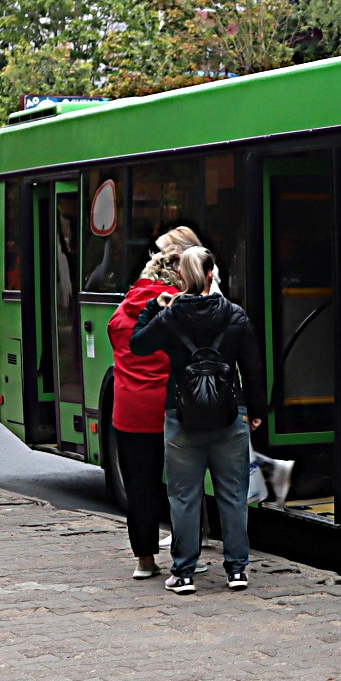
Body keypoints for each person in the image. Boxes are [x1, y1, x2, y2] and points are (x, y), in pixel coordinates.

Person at [131, 246, 265, 594]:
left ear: (181, 278)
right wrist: (257, 412)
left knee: (185, 496)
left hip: (182, 418)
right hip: (228, 416)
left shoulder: (171, 317)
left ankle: (184, 574)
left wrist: (152, 306)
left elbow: (138, 345)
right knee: (233, 495)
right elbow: (252, 367)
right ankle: (237, 570)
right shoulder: (235, 315)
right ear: (210, 275)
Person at [106, 235, 189, 579]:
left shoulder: (121, 312)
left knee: (140, 486)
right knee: (183, 486)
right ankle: (185, 559)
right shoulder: (174, 311)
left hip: (128, 413)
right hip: (170, 411)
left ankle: (144, 562)